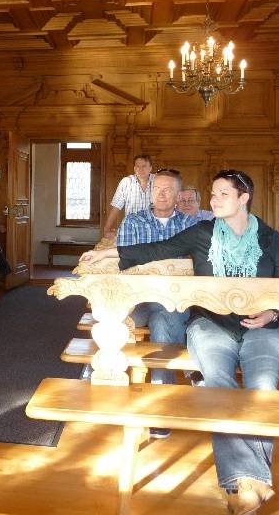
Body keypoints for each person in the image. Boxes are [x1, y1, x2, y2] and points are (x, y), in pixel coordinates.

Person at [80, 170, 279, 515]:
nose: (215, 200)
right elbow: (155, 250)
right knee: (218, 385)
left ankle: (248, 480)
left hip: (263, 328)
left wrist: (271, 313)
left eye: (223, 194)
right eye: (213, 194)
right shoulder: (203, 233)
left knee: (263, 388)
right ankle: (244, 482)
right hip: (211, 325)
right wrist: (105, 255)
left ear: (244, 198)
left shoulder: (269, 238)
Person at [114, 169, 198, 437]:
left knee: (164, 318)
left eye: (168, 190)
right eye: (157, 188)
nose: (161, 194)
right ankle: (190, 375)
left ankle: (160, 407)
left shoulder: (190, 224)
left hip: (175, 300)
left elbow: (193, 267)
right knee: (164, 313)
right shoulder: (133, 221)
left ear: (178, 195)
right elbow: (126, 266)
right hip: (138, 301)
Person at [103, 154, 155, 238]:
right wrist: (107, 229)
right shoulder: (126, 182)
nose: (140, 169)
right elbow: (116, 206)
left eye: (144, 166)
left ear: (150, 168)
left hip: (153, 230)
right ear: (134, 168)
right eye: (137, 166)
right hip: (131, 230)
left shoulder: (158, 181)